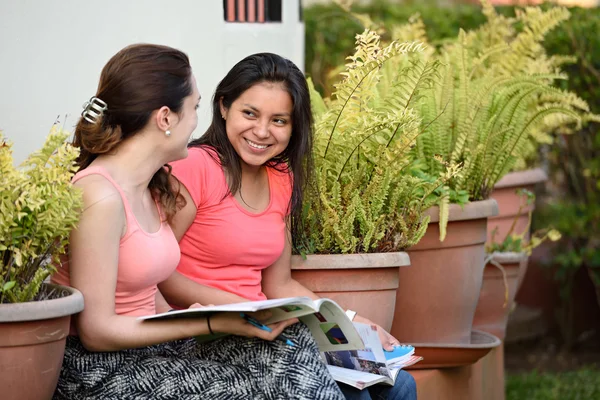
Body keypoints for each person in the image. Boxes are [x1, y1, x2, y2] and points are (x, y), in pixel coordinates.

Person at [52, 44, 345, 400]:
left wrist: (221, 321)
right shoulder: (100, 196)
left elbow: (146, 295)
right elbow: (96, 332)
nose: (196, 121)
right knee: (250, 389)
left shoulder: (149, 187)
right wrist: (210, 321)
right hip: (96, 367)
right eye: (193, 107)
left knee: (290, 343)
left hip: (151, 351)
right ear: (165, 118)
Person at [159, 52, 417, 400]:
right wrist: (244, 309)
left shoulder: (281, 177)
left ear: (295, 126)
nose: (262, 131)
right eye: (249, 113)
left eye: (279, 120)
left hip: (267, 326)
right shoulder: (195, 167)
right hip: (205, 332)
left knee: (398, 384)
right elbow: (161, 274)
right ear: (224, 107)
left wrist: (352, 322)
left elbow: (278, 283)